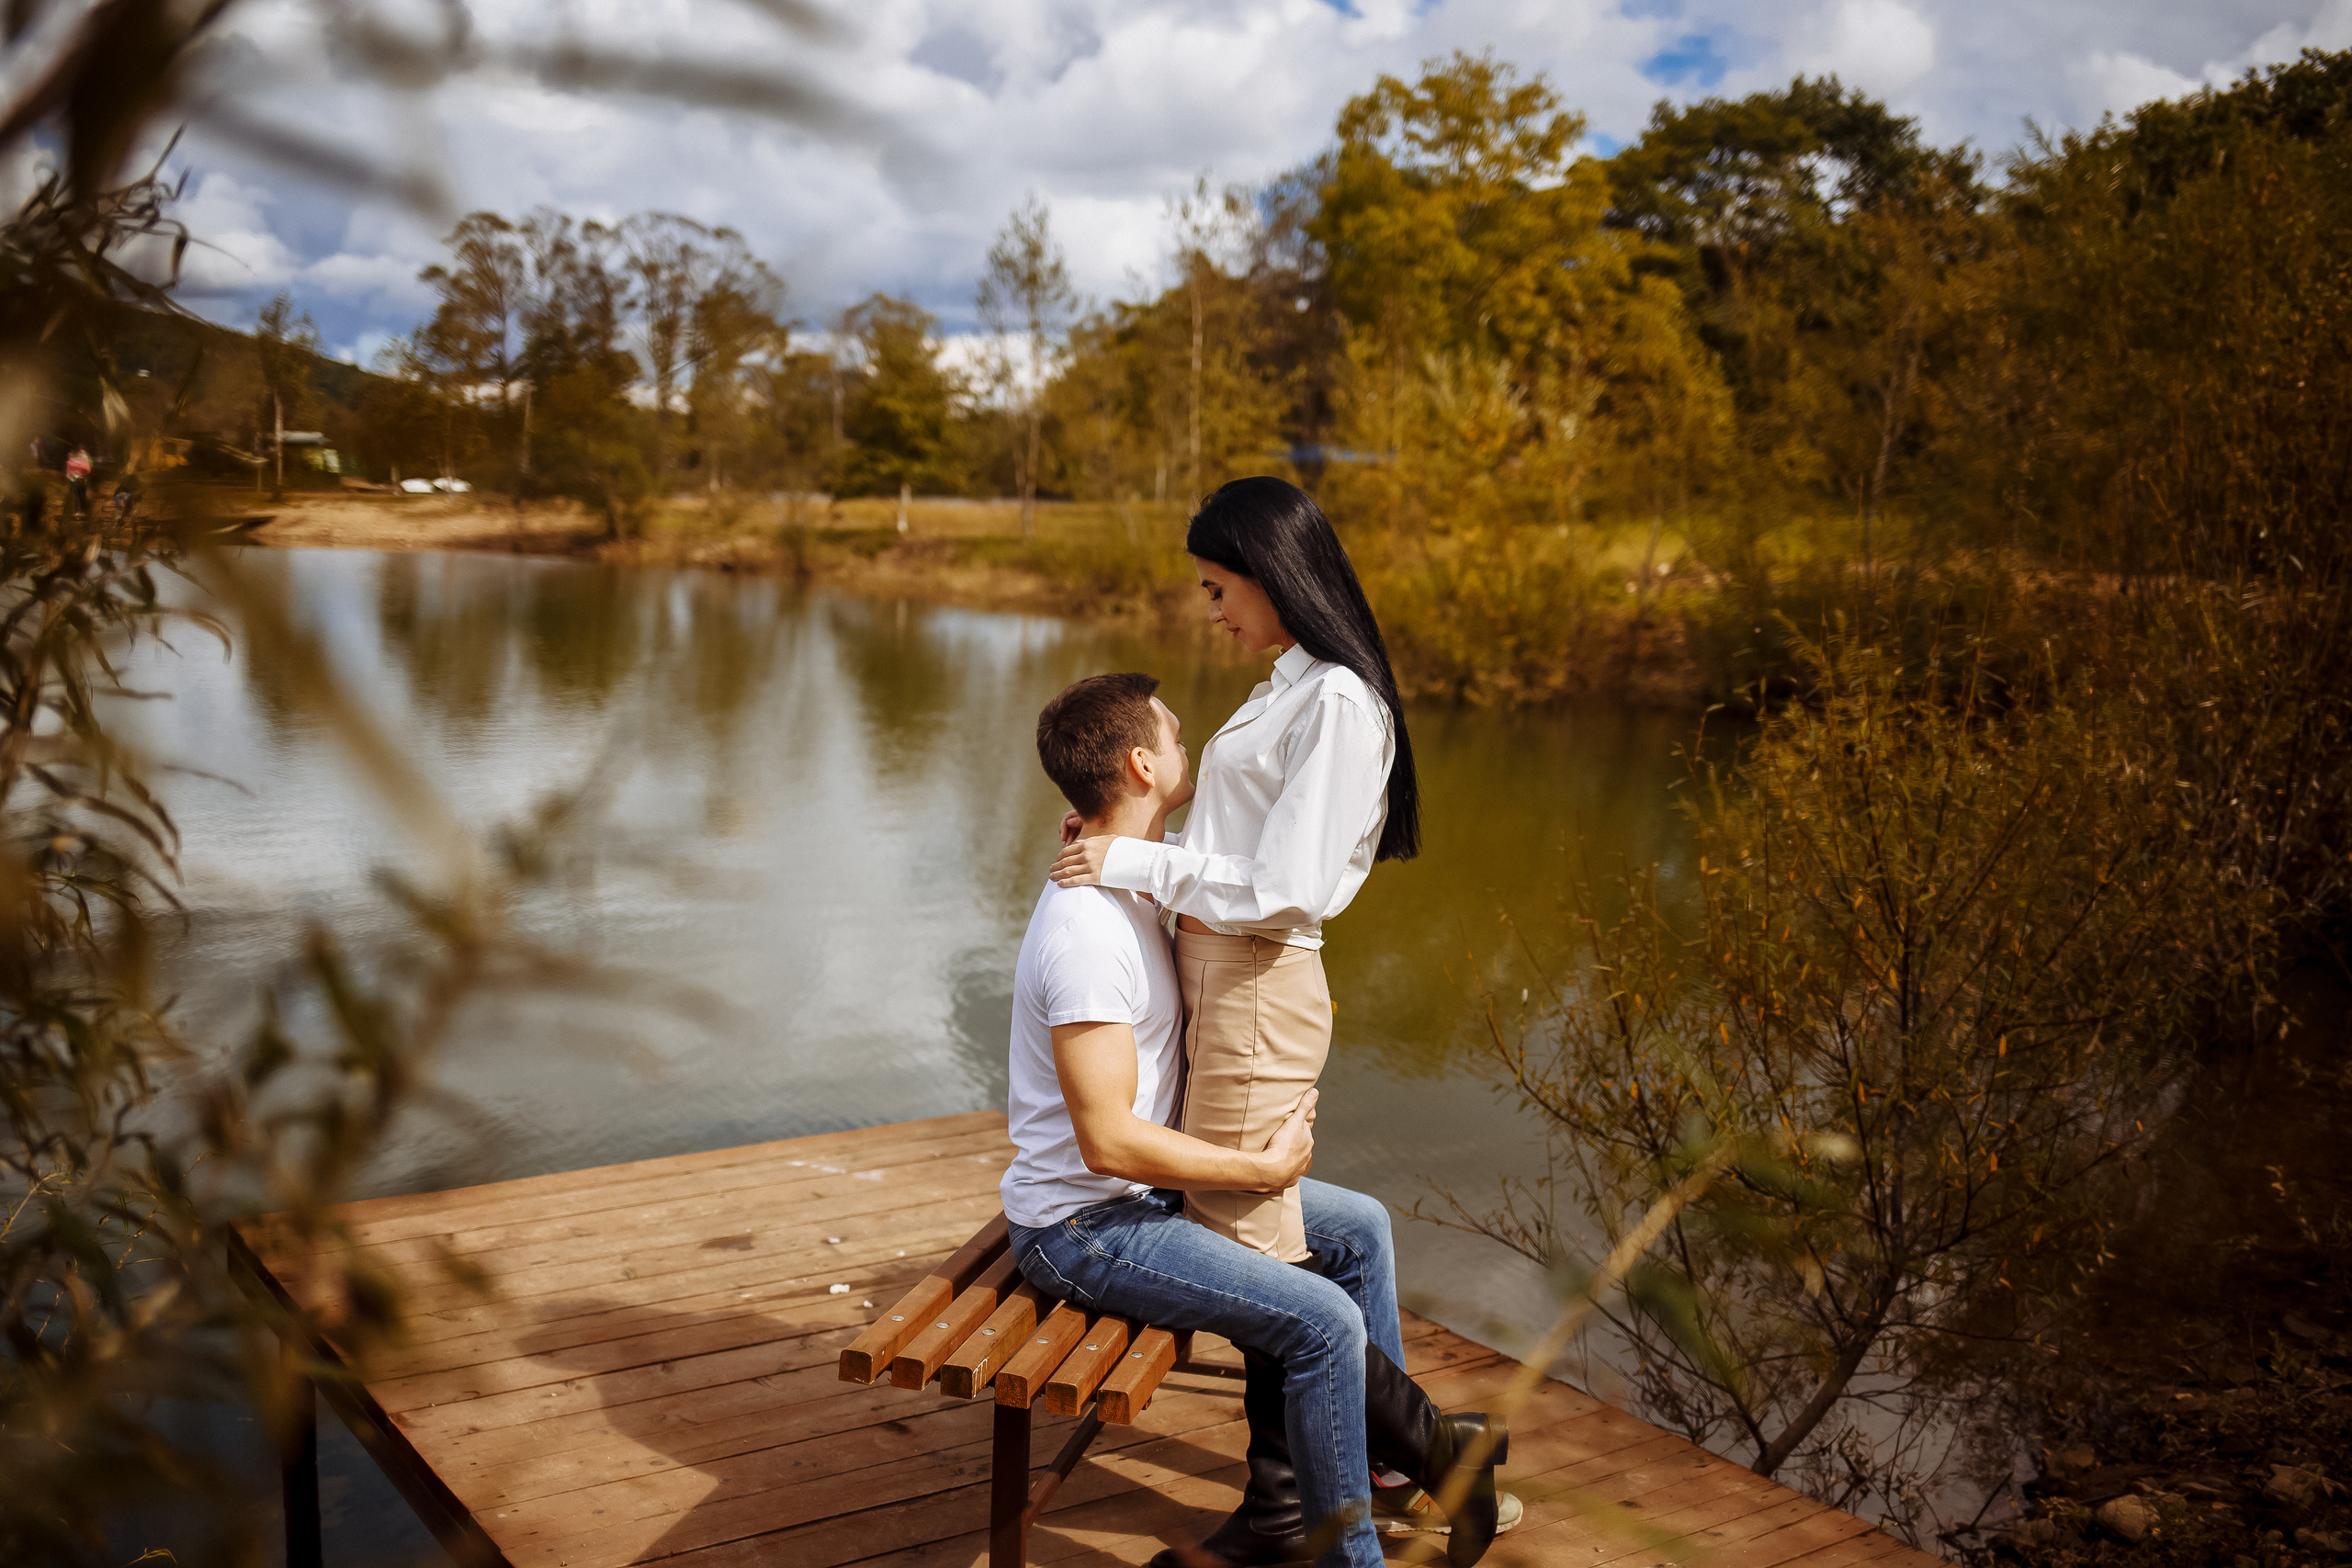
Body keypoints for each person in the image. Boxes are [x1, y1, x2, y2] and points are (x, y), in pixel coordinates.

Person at [1008, 672, 1508, 1568]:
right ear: (1139, 763)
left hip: (1145, 1197)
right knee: (1317, 1319)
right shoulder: (1084, 933)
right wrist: (1260, 1173)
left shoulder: (1137, 879)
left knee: (1358, 1228)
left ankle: (1395, 1465)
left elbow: (1261, 872)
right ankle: (1347, 1553)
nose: (1187, 744)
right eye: (1174, 734)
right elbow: (1105, 1141)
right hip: (1084, 1225)